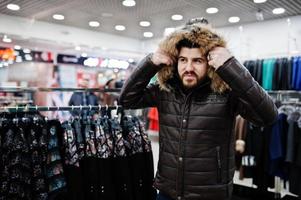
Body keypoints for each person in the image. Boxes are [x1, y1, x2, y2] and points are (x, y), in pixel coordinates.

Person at [119, 18, 278, 200]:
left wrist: (230, 65)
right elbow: (126, 100)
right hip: (167, 191)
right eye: (183, 60)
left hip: (210, 194)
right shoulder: (165, 91)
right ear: (174, 61)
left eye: (197, 61)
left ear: (209, 63)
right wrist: (150, 63)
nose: (188, 68)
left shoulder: (226, 93)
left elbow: (269, 116)